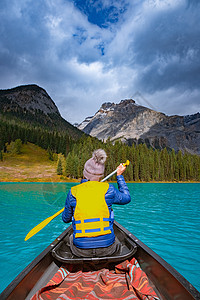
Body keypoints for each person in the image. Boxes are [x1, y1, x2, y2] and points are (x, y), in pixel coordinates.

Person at [62, 149, 131, 257]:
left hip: (81, 251)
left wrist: (69, 207)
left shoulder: (73, 192)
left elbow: (66, 219)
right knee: (117, 239)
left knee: (70, 237)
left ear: (84, 173)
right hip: (107, 249)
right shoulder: (109, 189)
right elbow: (126, 198)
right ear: (101, 175)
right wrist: (119, 176)